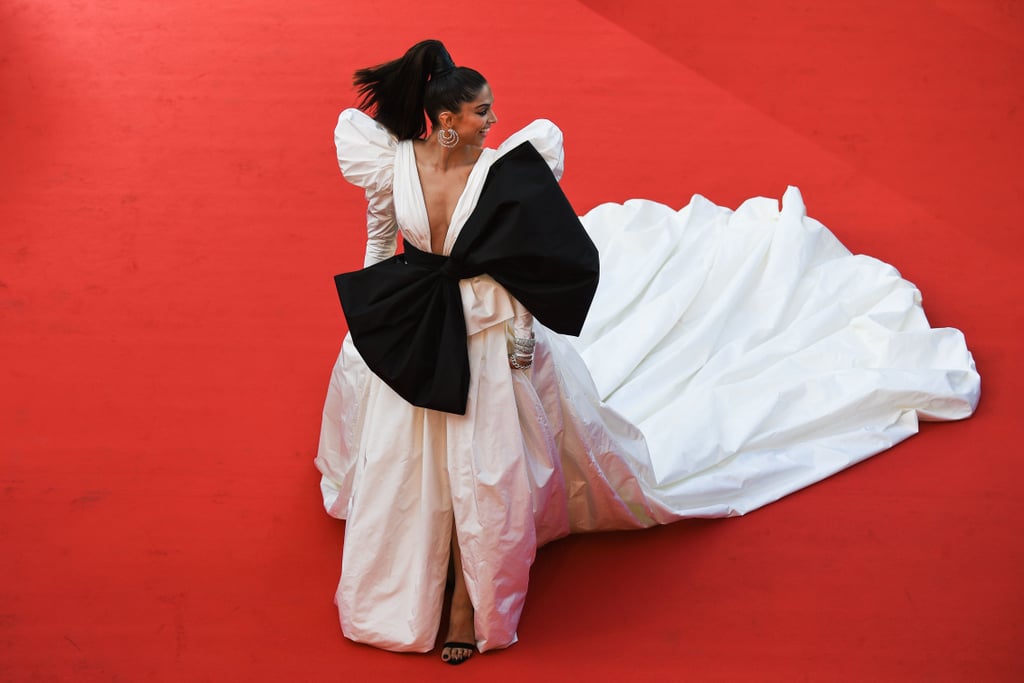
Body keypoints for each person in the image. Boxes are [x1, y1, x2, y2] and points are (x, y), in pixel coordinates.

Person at [315, 40, 980, 665]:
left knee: (483, 467)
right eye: (482, 110)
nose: (494, 120)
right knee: (411, 459)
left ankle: (467, 599)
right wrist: (375, 315)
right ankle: (411, 570)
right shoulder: (393, 163)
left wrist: (521, 342)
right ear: (445, 120)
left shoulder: (503, 172)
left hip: (491, 340)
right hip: (412, 329)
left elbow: (519, 265)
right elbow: (380, 239)